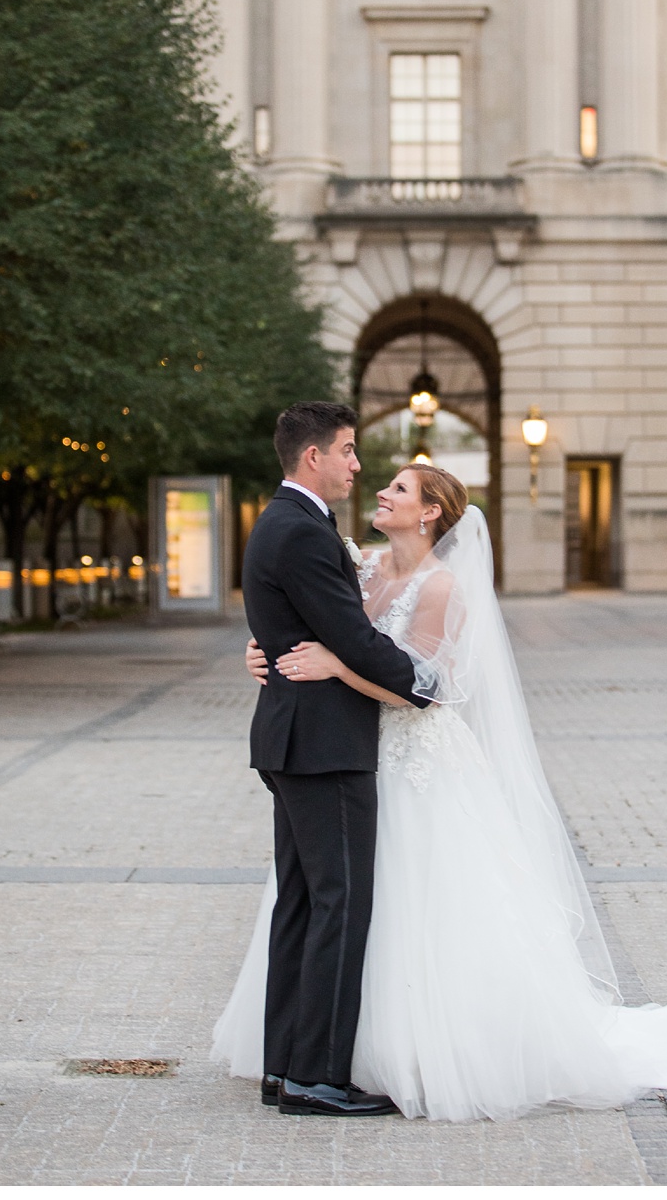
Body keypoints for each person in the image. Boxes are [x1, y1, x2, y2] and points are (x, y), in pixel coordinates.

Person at [214, 463, 667, 1121]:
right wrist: (263, 648)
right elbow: (309, 613)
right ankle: (322, 1053)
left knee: (413, 904)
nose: (380, 489)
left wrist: (337, 666)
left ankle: (413, 1050)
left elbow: (427, 686)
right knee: (337, 900)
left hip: (414, 758)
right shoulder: (358, 562)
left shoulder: (442, 587)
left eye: (399, 488)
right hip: (350, 752)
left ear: (430, 513)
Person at [238, 401, 442, 1117]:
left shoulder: (289, 522)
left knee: (303, 901)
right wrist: (424, 683)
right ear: (313, 456)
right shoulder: (299, 529)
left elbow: (289, 624)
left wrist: (266, 648)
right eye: (349, 451)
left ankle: (284, 1067)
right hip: (323, 744)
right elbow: (352, 639)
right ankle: (316, 1076)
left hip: (298, 738)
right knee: (340, 901)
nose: (358, 464)